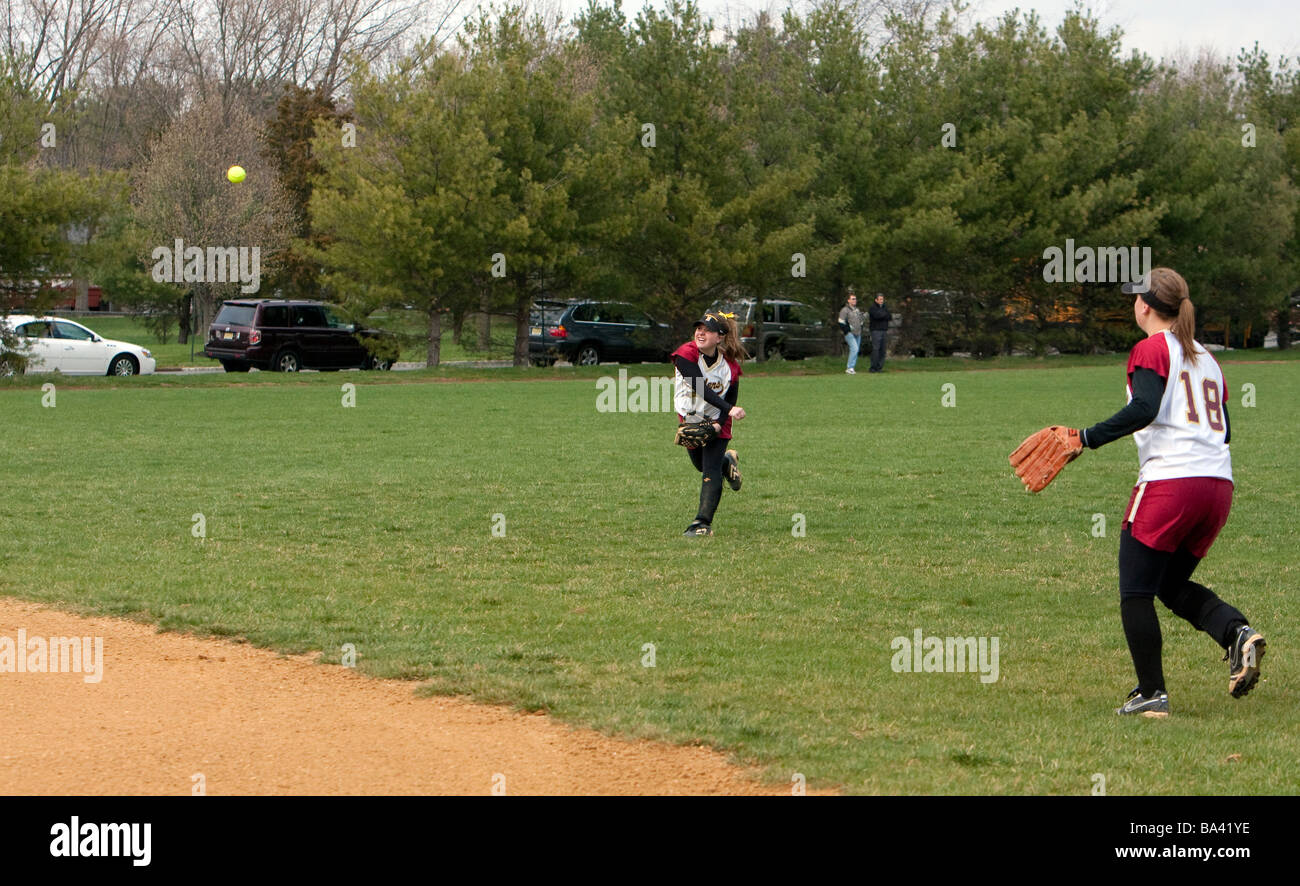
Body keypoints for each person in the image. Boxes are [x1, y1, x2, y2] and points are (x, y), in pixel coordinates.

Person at [1063, 267, 1265, 717]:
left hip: (1172, 482)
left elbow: (1145, 408)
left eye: (1136, 297)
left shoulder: (1151, 347)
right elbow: (1225, 428)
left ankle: (1151, 691)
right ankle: (1235, 632)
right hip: (1218, 486)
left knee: (1135, 590)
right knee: (1169, 584)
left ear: (1146, 306)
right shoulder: (1206, 357)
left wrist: (1087, 437)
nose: (1133, 303)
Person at [672, 312, 747, 537]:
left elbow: (731, 398)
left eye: (707, 330)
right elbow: (699, 386)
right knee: (701, 466)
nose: (700, 332)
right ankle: (727, 462)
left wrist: (720, 422)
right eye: (698, 328)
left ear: (720, 337)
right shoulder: (686, 354)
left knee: (710, 470)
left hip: (718, 419)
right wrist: (728, 408)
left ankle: (701, 523)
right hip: (692, 419)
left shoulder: (730, 366)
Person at [836, 291, 864, 374]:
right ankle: (849, 367)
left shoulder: (857, 310)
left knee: (856, 349)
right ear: (848, 300)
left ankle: (852, 367)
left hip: (858, 333)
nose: (855, 300)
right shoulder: (844, 310)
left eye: (855, 299)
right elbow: (841, 322)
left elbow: (860, 320)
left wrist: (861, 324)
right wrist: (847, 331)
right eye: (853, 299)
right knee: (854, 349)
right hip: (849, 333)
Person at [867, 294, 891, 372]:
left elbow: (889, 316)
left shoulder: (885, 307)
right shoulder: (872, 308)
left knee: (882, 350)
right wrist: (883, 315)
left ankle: (879, 367)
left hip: (884, 330)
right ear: (876, 300)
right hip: (876, 331)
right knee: (876, 349)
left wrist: (883, 315)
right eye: (880, 299)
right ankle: (873, 367)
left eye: (882, 299)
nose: (881, 301)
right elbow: (877, 316)